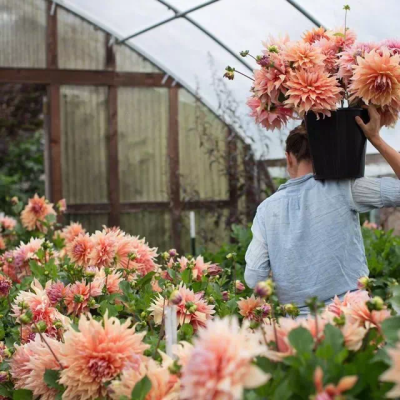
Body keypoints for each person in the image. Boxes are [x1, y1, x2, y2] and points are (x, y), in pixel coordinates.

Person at [244, 106, 400, 314]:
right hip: (352, 316)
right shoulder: (345, 187)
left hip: (297, 330)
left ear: (289, 158)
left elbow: (254, 277)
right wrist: (375, 138)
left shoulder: (266, 210)